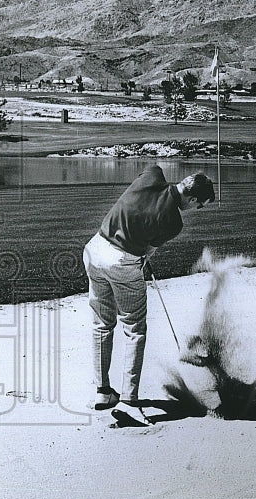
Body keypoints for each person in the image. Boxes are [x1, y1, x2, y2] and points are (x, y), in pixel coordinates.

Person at [83, 165, 215, 425]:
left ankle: (103, 392)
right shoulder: (174, 223)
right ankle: (128, 402)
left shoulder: (154, 174)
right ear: (192, 199)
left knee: (102, 324)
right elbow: (148, 252)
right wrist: (141, 253)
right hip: (121, 261)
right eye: (199, 206)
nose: (196, 210)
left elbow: (146, 184)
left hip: (94, 250)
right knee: (134, 329)